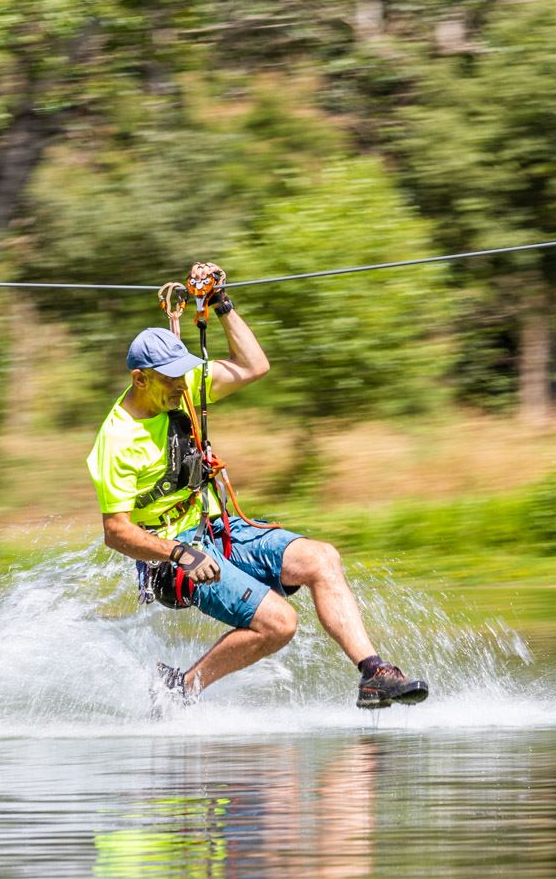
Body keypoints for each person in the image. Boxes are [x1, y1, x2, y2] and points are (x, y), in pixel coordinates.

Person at [85, 262, 429, 709]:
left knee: (322, 558)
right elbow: (116, 532)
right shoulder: (115, 441)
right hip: (172, 555)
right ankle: (181, 689)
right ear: (139, 379)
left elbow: (254, 365)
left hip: (218, 527)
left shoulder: (182, 384)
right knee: (280, 624)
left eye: (182, 376)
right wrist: (179, 553)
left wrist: (220, 304)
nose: (181, 386)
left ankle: (374, 674)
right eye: (171, 380)